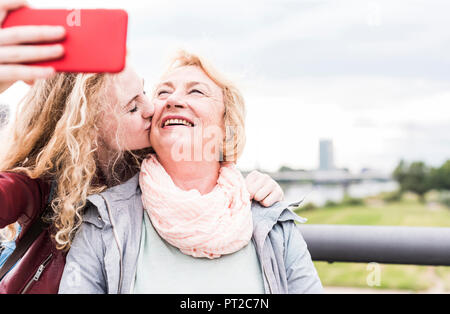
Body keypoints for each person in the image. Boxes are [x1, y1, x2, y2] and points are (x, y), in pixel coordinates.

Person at [0, 1, 285, 294]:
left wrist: (248, 187)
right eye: (133, 107)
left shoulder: (148, 174)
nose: (152, 108)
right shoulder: (38, 187)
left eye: (145, 92)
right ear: (87, 131)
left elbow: (203, 163)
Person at [59, 50, 322, 294]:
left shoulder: (272, 222)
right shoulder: (105, 219)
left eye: (196, 92)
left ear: (226, 125)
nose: (173, 100)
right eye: (162, 93)